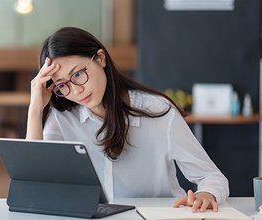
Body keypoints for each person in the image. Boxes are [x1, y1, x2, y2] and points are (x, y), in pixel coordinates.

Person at [26, 27, 229, 212]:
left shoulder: (158, 111)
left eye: (78, 74)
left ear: (100, 58)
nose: (77, 90)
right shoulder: (63, 119)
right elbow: (37, 187)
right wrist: (35, 110)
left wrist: (206, 194)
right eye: (62, 85)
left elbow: (211, 176)